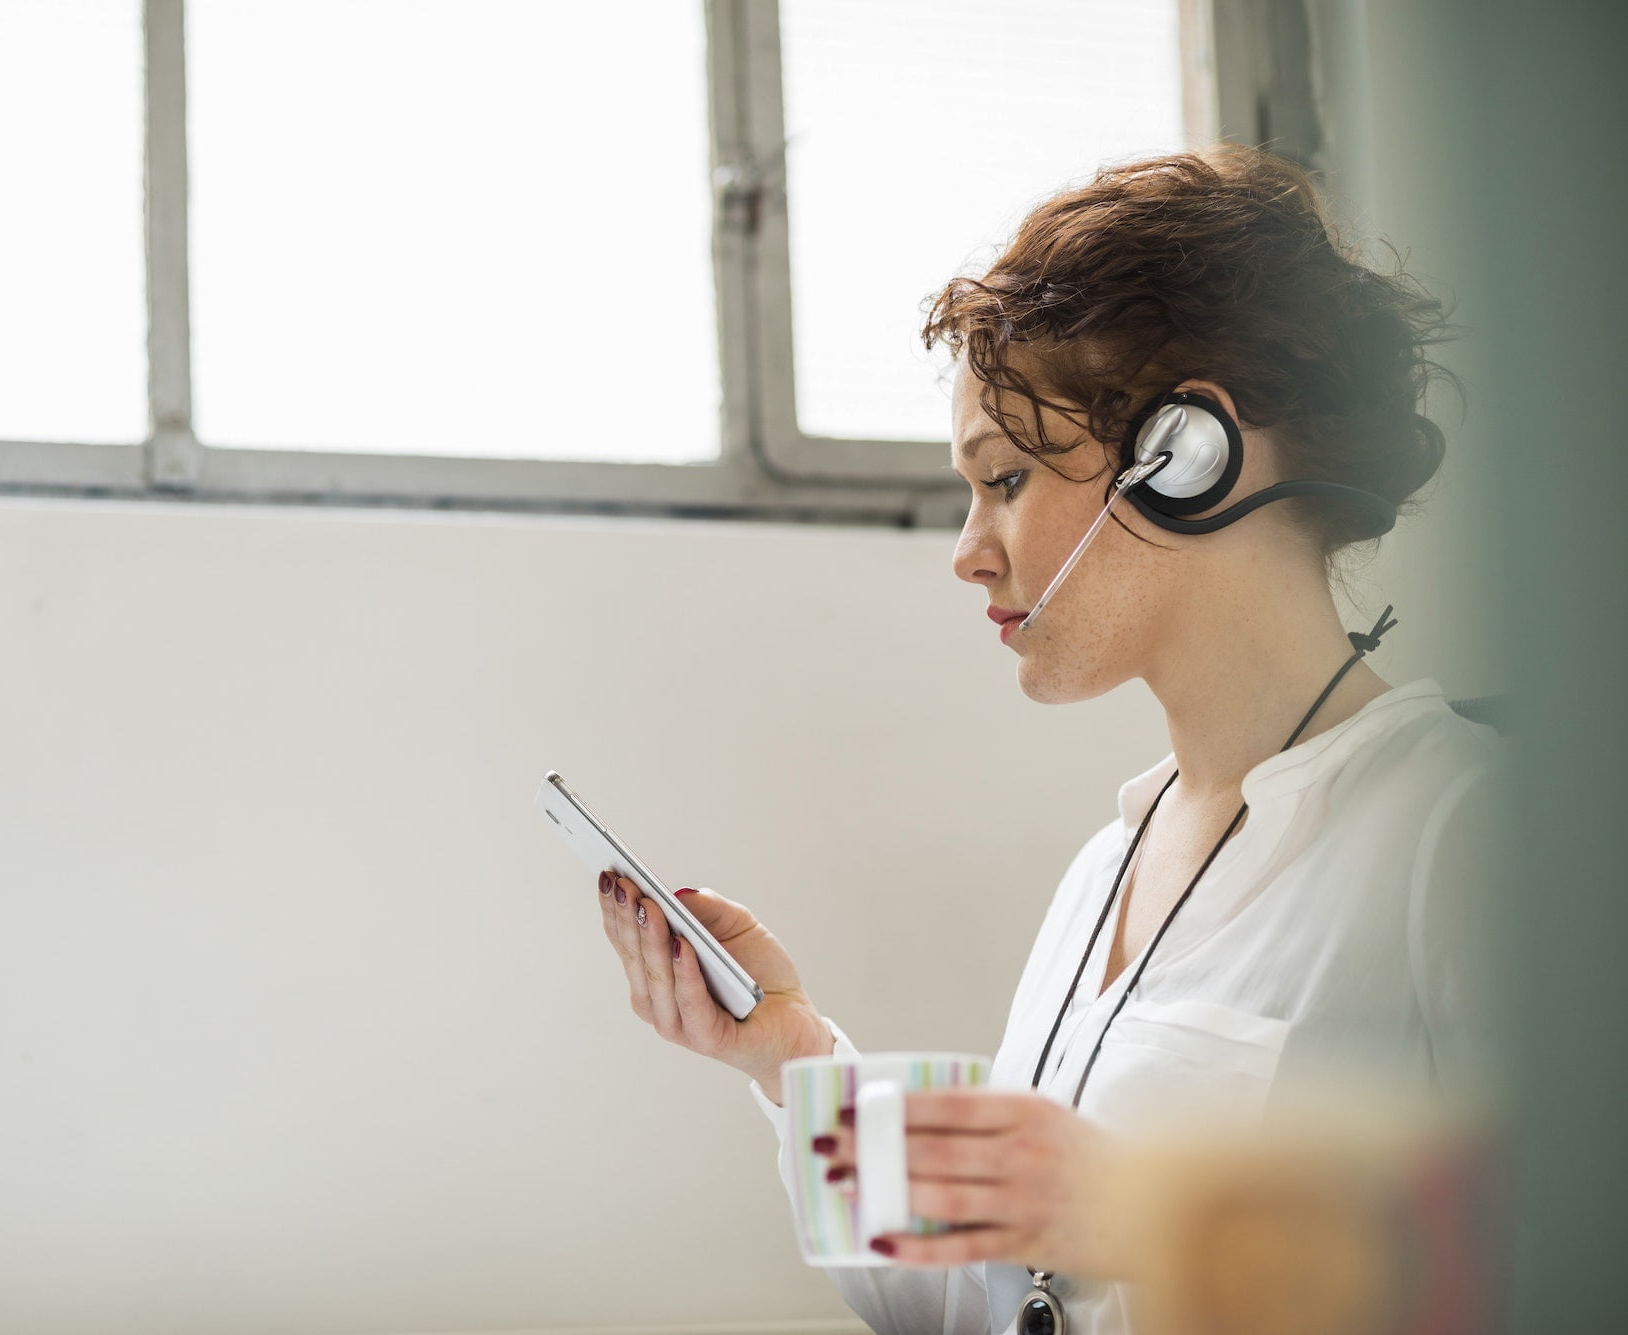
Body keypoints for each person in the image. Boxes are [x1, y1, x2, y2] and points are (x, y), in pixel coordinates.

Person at [591, 145, 1506, 1335]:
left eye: (1007, 479)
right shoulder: (1103, 874)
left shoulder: (1463, 831)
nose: (968, 550)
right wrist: (792, 1056)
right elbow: (984, 1296)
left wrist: (1160, 1215)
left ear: (1188, 457)